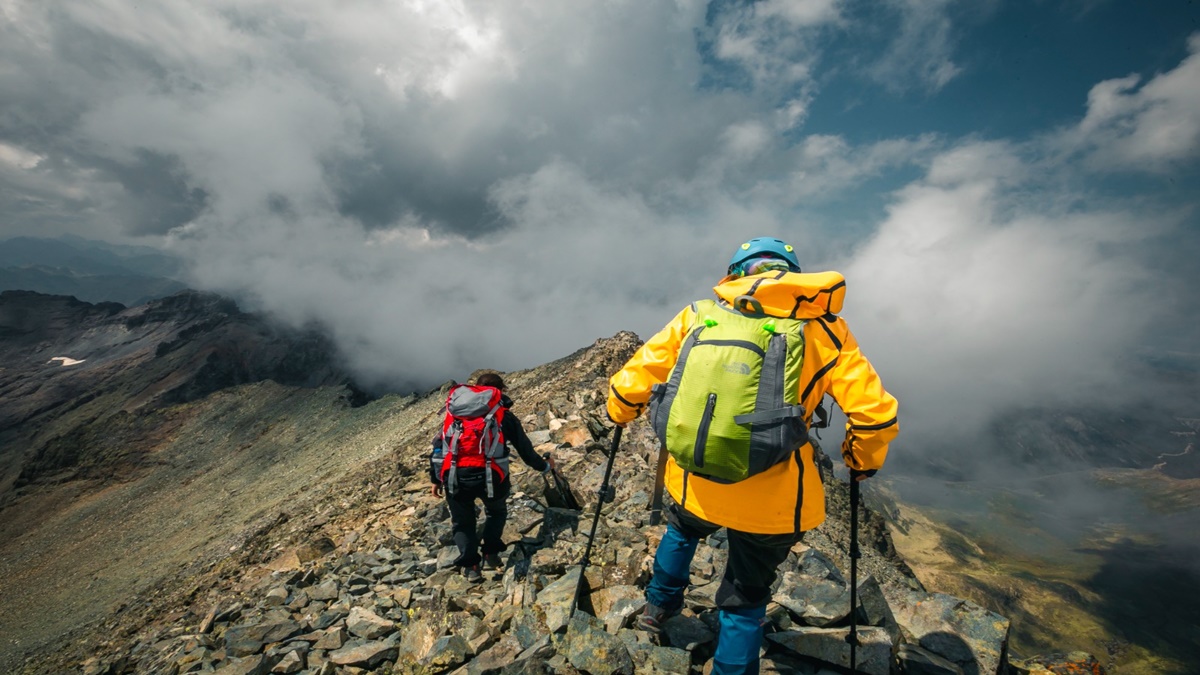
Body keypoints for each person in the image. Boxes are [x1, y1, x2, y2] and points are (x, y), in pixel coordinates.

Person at [606, 237, 899, 674]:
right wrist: (861, 461)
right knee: (746, 592)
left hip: (695, 477)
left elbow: (632, 380)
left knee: (681, 531)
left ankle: (658, 607)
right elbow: (874, 416)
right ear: (794, 277)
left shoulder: (698, 314)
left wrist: (619, 412)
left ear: (734, 274)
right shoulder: (824, 329)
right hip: (773, 498)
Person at [431, 372, 553, 582]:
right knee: (496, 512)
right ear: (500, 391)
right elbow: (524, 449)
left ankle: (471, 567)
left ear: (475, 387)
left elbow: (439, 446)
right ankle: (490, 554)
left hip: (455, 476)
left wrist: (435, 479)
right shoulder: (502, 414)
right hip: (492, 476)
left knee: (462, 522)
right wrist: (544, 467)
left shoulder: (455, 412)